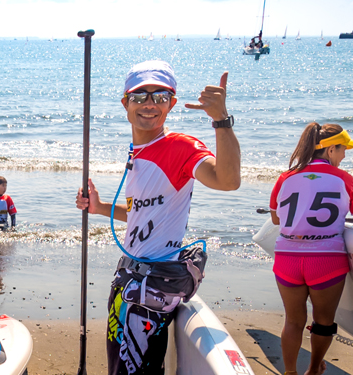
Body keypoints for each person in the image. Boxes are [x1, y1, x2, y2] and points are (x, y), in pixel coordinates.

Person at [75, 60, 240, 375]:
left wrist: (221, 119)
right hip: (126, 280)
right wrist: (99, 207)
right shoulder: (137, 152)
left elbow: (227, 180)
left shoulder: (180, 147)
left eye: (159, 96)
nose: (149, 103)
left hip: (151, 289)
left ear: (172, 103)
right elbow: (142, 214)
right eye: (140, 96)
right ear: (125, 103)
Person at [269, 123, 353, 375]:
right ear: (330, 150)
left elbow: (275, 219)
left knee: (293, 321)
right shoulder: (345, 179)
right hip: (326, 261)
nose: (345, 155)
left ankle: (290, 372)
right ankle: (314, 369)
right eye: (343, 149)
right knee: (323, 323)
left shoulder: (286, 176)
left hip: (287, 260)